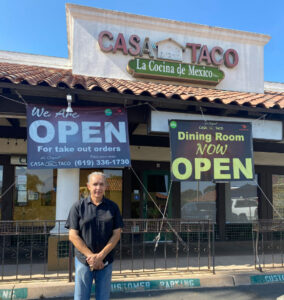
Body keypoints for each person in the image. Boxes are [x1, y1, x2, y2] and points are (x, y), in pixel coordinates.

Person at [65, 171, 123, 300]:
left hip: (105, 261)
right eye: (95, 184)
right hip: (83, 261)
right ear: (88, 186)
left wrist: (100, 256)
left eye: (101, 184)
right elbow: (73, 235)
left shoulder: (113, 207)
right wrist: (91, 257)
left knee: (103, 297)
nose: (98, 188)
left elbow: (117, 234)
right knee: (81, 297)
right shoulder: (77, 207)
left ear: (106, 186)